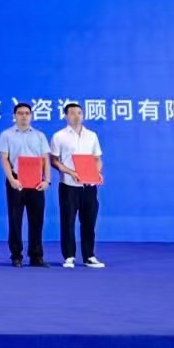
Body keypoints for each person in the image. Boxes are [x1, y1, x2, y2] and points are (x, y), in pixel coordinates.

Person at [0, 103, 52, 268]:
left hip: (36, 181)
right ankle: (16, 255)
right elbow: (4, 159)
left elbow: (45, 159)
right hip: (16, 180)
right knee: (15, 219)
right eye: (20, 113)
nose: (24, 116)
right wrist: (11, 180)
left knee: (37, 220)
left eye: (27, 113)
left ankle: (36, 256)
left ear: (31, 116)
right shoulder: (6, 135)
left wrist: (47, 180)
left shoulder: (39, 136)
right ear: (14, 116)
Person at [50, 102, 105, 269]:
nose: (76, 116)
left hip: (89, 185)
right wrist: (70, 172)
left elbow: (97, 158)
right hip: (68, 185)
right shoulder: (59, 136)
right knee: (68, 221)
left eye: (79, 113)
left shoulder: (92, 135)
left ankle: (89, 255)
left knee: (89, 221)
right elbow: (54, 161)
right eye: (72, 113)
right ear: (66, 116)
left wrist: (97, 173)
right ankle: (69, 256)